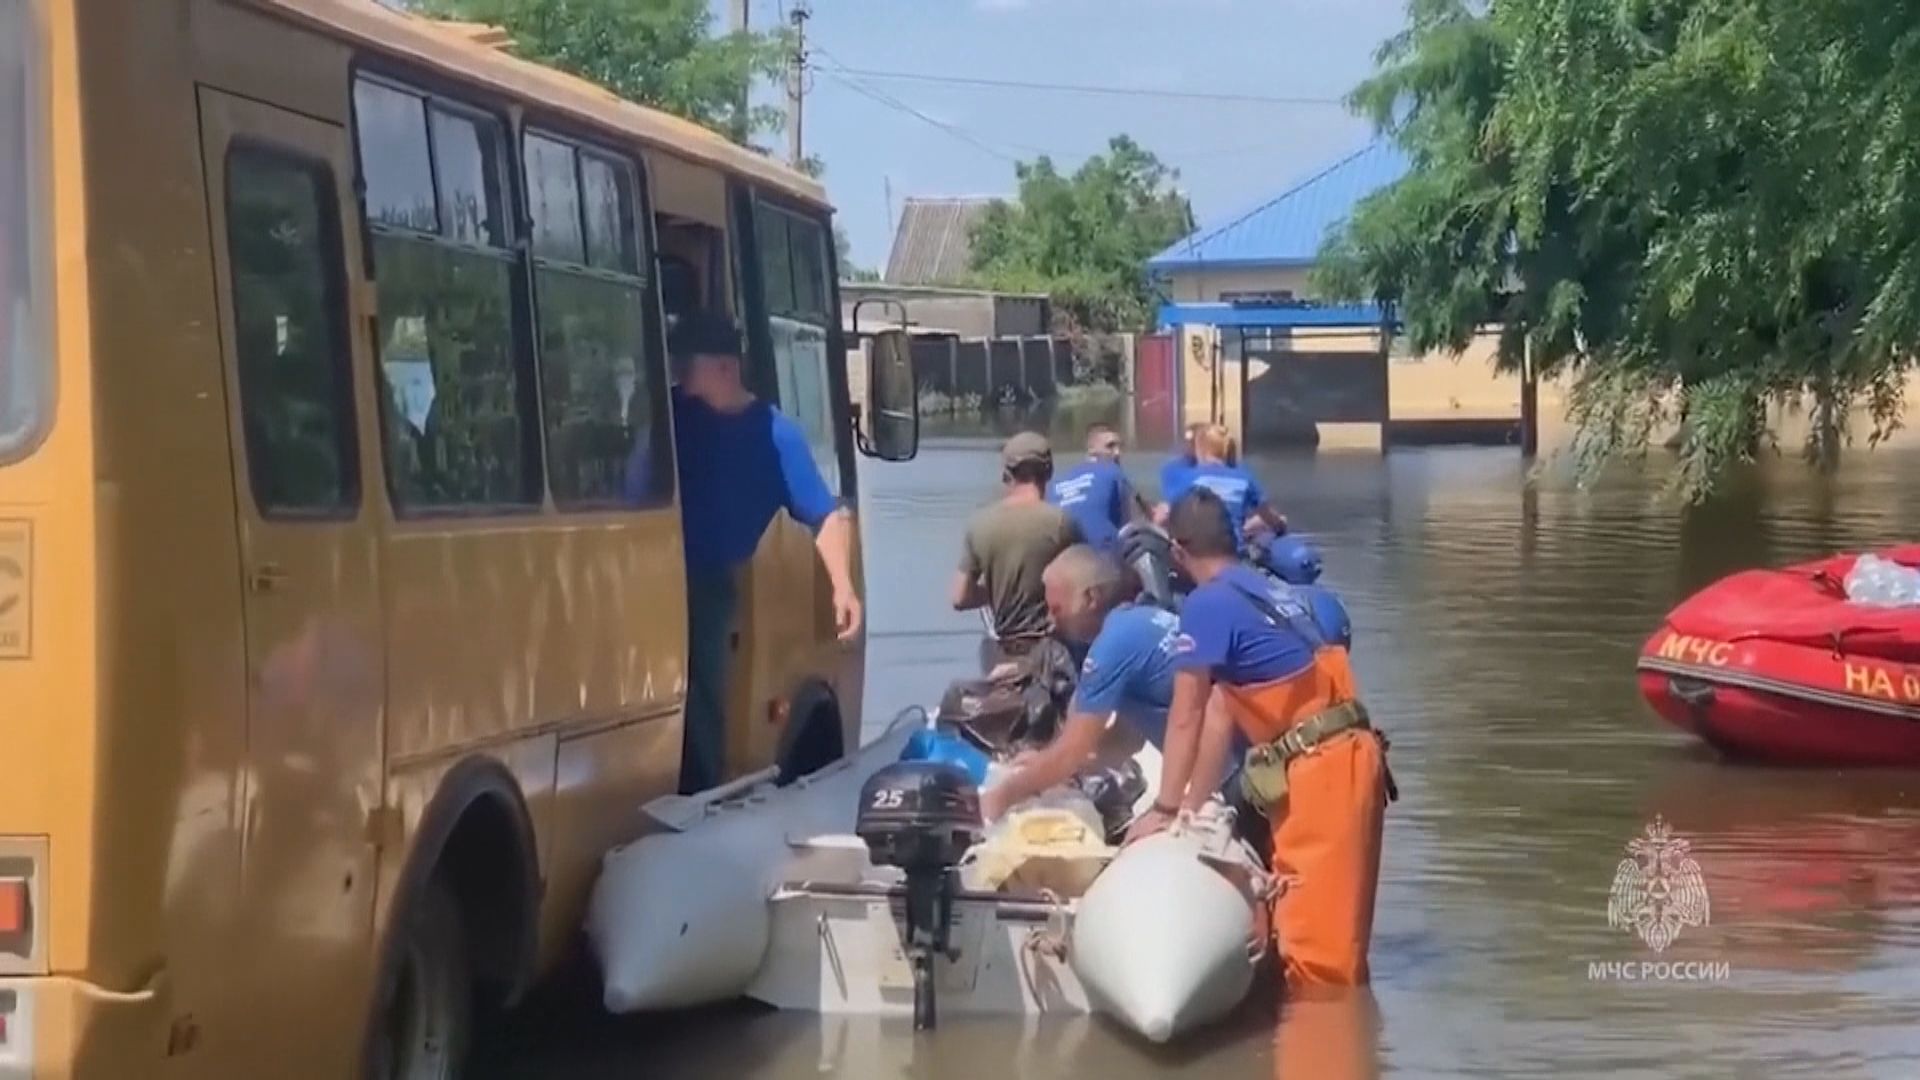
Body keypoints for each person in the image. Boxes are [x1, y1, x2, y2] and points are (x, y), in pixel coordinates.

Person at [1133, 487, 1392, 988]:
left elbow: (1185, 713)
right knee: (1334, 942)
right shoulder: (1264, 590)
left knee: (1317, 964)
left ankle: (1326, 1035)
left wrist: (1162, 809)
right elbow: (1220, 711)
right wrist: (1193, 808)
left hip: (1322, 774)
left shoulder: (1208, 604)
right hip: (1350, 759)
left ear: (1178, 552)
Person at [646, 309, 863, 795]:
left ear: (725, 367)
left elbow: (824, 515)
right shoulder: (671, 415)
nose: (678, 374)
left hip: (707, 581)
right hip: (645, 571)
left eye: (687, 364)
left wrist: (843, 588)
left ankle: (696, 790)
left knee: (703, 687)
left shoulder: (776, 436)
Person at [978, 545, 1243, 822]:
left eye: (1057, 610)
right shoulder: (1143, 619)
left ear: (1090, 598)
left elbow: (1071, 753)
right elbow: (1126, 739)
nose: (1051, 623)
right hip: (1239, 763)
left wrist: (1001, 796)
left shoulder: (1112, 645)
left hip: (1231, 777)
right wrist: (1048, 762)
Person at [952, 432, 1084, 671]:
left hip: (1002, 651)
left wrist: (997, 589)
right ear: (1049, 473)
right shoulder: (1061, 522)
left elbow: (960, 598)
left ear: (1006, 474)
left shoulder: (979, 524)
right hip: (1051, 651)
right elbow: (1082, 587)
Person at [1161, 424, 1287, 554]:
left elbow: (1165, 515)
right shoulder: (1244, 478)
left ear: (1200, 450)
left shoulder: (1189, 479)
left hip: (1199, 556)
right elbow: (1270, 518)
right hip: (1233, 553)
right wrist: (1279, 524)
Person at [1045, 424, 1149, 555]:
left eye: (1119, 447)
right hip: (1104, 557)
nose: (1117, 453)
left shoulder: (1055, 484)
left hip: (1063, 557)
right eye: (1110, 446)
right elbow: (1139, 523)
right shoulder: (1112, 471)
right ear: (1091, 449)